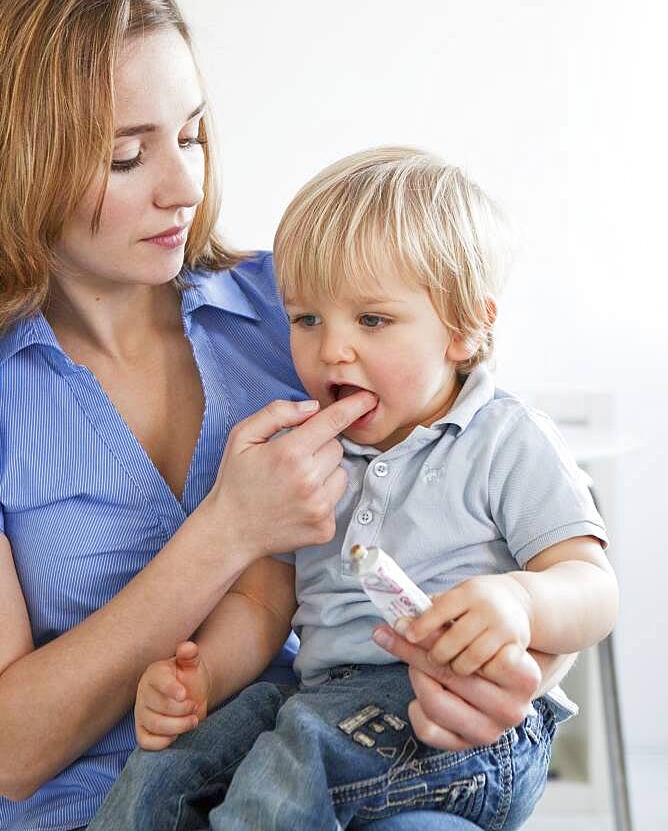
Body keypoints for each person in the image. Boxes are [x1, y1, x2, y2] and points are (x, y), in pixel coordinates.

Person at [0, 0, 554, 831]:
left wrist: (517, 676)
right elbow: (13, 753)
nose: (184, 189)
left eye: (191, 135)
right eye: (125, 157)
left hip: (332, 762)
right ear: (19, 164)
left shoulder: (304, 306)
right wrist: (228, 530)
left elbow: (503, 512)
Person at [89, 148, 618, 830]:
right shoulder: (305, 458)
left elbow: (592, 586)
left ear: (463, 328)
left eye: (371, 321)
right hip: (323, 698)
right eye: (307, 319)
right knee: (177, 758)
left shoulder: (506, 438)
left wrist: (519, 601)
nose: (332, 350)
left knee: (290, 765)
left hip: (467, 730)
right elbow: (262, 602)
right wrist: (205, 679)